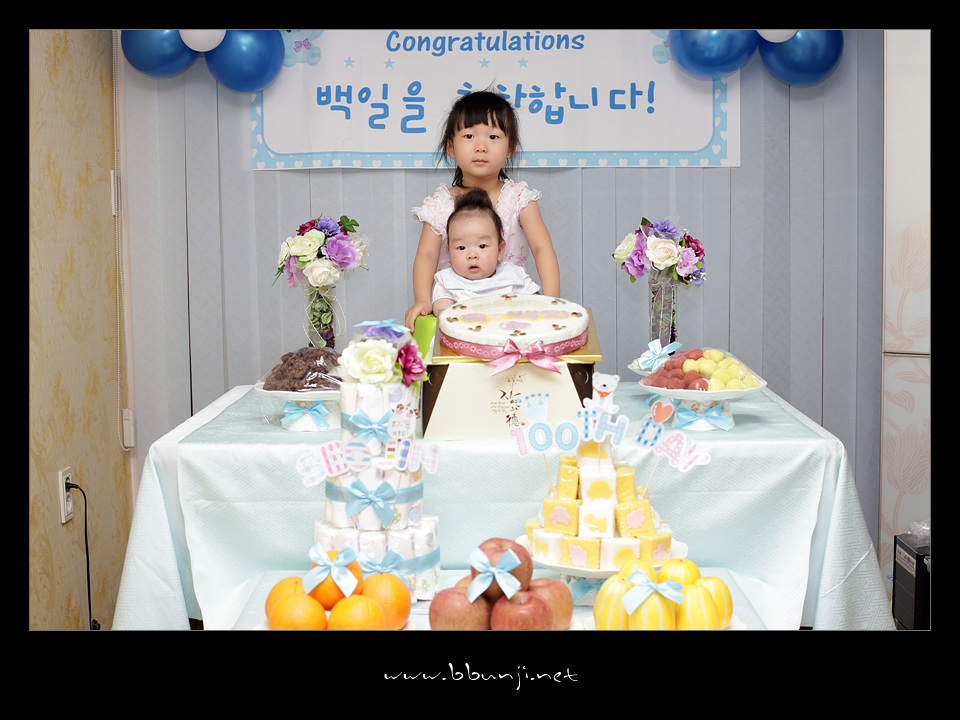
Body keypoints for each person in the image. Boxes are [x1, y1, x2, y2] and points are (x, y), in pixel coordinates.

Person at [404, 90, 559, 331]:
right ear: (450, 147)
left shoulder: (520, 199)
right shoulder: (441, 203)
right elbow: (426, 255)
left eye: (493, 137)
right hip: (456, 307)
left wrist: (552, 300)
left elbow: (542, 248)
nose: (480, 147)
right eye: (469, 136)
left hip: (511, 305)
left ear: (511, 148)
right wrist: (423, 299)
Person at [431, 188, 540, 316]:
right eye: (461, 248)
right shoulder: (448, 281)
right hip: (466, 327)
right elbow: (442, 310)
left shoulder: (512, 275)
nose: (472, 255)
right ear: (449, 252)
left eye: (482, 246)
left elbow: (536, 303)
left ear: (499, 250)